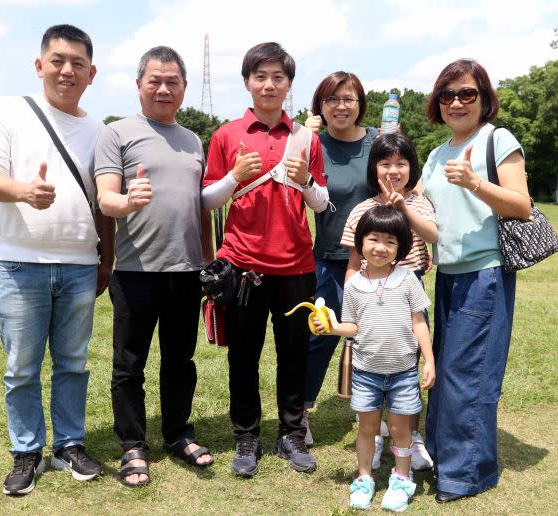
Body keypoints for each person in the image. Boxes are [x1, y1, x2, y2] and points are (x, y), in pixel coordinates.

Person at [0, 24, 114, 496]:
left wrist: (106, 258)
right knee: (22, 367)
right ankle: (27, 451)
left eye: (77, 63)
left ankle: (69, 444)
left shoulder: (100, 130)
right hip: (21, 264)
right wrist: (24, 191)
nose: (67, 70)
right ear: (39, 66)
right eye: (57, 60)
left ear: (91, 73)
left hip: (79, 265)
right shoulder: (8, 112)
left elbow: (103, 201)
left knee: (73, 363)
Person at [202, 42, 329, 478]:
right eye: (261, 76)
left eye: (278, 77)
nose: (269, 84)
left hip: (296, 264)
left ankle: (292, 433)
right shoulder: (226, 135)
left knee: (294, 353)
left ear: (290, 85)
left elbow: (321, 203)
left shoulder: (306, 138)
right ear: (247, 83)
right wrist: (235, 176)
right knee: (244, 354)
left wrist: (307, 180)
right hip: (242, 264)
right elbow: (206, 198)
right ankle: (246, 435)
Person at [95, 46, 215, 488]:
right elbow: (105, 199)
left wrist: (207, 257)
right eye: (155, 81)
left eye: (173, 82)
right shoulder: (117, 133)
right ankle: (132, 444)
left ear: (183, 87)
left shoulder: (192, 140)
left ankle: (178, 433)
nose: (164, 89)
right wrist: (128, 201)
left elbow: (199, 207)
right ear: (139, 84)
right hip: (134, 272)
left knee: (180, 360)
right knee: (129, 364)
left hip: (185, 272)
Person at [421, 59, 531, 503]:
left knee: (469, 375)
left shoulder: (497, 140)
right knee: (446, 373)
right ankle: (440, 455)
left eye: (467, 93)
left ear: (484, 98)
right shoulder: (436, 152)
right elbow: (430, 215)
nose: (457, 102)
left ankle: (466, 474)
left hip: (484, 274)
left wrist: (474, 183)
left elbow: (521, 205)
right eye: (448, 95)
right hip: (447, 276)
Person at [313, 205, 435, 511]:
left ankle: (401, 480)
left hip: (404, 372)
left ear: (401, 248)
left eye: (390, 242)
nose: (381, 247)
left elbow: (418, 322)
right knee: (367, 428)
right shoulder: (354, 284)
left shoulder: (408, 279)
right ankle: (364, 478)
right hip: (366, 372)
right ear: (361, 243)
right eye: (373, 239)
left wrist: (430, 361)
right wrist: (331, 328)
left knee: (400, 429)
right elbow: (353, 326)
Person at [340, 133, 438, 472]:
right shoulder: (362, 209)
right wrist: (350, 311)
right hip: (368, 299)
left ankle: (412, 435)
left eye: (401, 163)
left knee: (407, 370)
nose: (393, 170)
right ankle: (376, 434)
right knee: (370, 369)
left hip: (408, 299)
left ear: (412, 167)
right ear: (374, 168)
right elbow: (353, 265)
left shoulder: (421, 203)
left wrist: (403, 208)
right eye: (385, 163)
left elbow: (432, 236)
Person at [300, 71, 378, 447]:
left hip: (379, 261)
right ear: (320, 107)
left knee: (383, 336)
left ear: (360, 103)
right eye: (332, 99)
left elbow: (406, 183)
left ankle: (385, 412)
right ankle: (300, 411)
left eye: (348, 98)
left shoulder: (378, 142)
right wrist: (302, 137)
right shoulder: (312, 144)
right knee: (319, 336)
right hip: (329, 258)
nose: (341, 106)